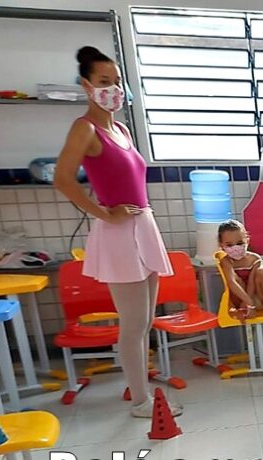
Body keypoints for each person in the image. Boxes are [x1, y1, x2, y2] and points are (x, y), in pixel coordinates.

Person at [54, 46, 179, 418]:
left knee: (145, 322)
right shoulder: (85, 128)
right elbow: (62, 179)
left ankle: (140, 390)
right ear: (87, 85)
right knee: (133, 323)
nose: (113, 89)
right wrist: (105, 214)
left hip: (143, 225)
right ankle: (141, 401)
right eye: (104, 81)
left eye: (117, 81)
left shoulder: (121, 128)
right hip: (119, 232)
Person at [217, 220, 263, 319]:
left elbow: (252, 283)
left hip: (256, 298)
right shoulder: (226, 261)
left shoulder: (254, 258)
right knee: (234, 278)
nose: (235, 248)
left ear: (247, 240)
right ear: (221, 245)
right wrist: (247, 302)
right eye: (229, 245)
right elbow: (232, 282)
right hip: (239, 300)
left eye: (239, 243)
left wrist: (250, 303)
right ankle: (246, 306)